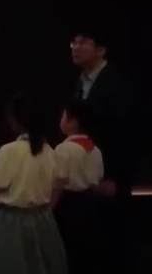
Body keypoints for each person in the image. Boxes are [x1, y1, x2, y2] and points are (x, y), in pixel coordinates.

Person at [69, 28, 133, 273]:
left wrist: (114, 177)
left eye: (83, 42)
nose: (76, 47)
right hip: (85, 177)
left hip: (109, 176)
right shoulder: (79, 81)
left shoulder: (117, 83)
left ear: (101, 50)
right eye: (74, 42)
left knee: (111, 246)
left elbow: (125, 135)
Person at [0, 93, 67, 274]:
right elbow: (58, 186)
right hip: (44, 220)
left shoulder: (8, 151)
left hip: (12, 222)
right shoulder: (50, 151)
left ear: (15, 120)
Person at [54, 100, 104, 274]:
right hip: (91, 206)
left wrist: (50, 208)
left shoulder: (63, 149)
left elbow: (59, 182)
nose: (61, 120)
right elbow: (98, 179)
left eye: (64, 116)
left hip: (67, 207)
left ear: (73, 122)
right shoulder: (96, 150)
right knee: (86, 256)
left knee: (67, 255)